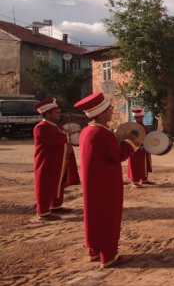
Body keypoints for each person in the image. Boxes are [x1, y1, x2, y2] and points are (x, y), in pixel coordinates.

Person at [75, 92, 138, 268]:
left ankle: (95, 251)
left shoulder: (87, 131)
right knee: (108, 217)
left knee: (94, 216)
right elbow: (118, 155)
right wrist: (131, 142)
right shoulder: (101, 133)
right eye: (110, 110)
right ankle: (109, 256)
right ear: (102, 113)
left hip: (94, 183)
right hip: (106, 183)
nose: (112, 112)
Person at [32, 97, 80, 221]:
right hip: (47, 163)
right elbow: (56, 140)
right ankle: (43, 212)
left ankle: (56, 206)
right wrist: (66, 136)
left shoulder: (56, 126)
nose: (59, 115)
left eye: (59, 112)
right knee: (46, 185)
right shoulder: (41, 127)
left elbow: (64, 139)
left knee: (59, 183)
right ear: (46, 114)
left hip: (60, 162)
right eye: (56, 113)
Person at [127, 108, 153, 188]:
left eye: (142, 117)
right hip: (135, 148)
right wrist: (139, 145)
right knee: (135, 164)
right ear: (136, 118)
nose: (142, 118)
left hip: (143, 148)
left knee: (143, 163)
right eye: (140, 117)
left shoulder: (142, 125)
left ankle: (143, 179)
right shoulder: (132, 126)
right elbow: (131, 137)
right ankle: (134, 181)